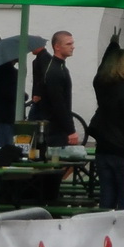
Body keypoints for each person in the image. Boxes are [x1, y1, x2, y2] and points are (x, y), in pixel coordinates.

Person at [87, 45, 124, 209]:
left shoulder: (102, 87)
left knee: (106, 196)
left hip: (103, 148)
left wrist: (111, 47)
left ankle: (102, 231)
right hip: (122, 150)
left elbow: (99, 73)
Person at [0, 38, 45, 151]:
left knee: (4, 144)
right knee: (5, 146)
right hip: (6, 114)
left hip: (3, 113)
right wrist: (23, 96)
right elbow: (9, 92)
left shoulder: (2, 69)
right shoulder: (8, 71)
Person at [43, 31, 84, 159]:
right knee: (59, 165)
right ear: (57, 47)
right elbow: (58, 103)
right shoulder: (55, 70)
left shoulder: (60, 67)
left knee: (66, 165)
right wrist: (71, 130)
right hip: (55, 130)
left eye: (72, 43)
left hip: (58, 128)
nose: (73, 46)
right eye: (68, 43)